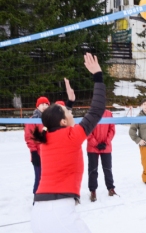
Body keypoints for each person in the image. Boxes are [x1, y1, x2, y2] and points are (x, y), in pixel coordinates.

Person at [30, 53, 105, 233]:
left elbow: (59, 123)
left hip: (40, 210)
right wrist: (97, 75)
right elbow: (97, 110)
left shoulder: (46, 138)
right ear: (63, 122)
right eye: (68, 111)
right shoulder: (72, 135)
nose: (71, 113)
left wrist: (69, 103)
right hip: (58, 210)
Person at [87, 109, 116, 202]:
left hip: (105, 146)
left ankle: (110, 188)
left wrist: (106, 142)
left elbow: (112, 129)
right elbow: (87, 130)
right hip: (93, 147)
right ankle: (93, 191)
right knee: (93, 170)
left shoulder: (109, 114)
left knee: (107, 168)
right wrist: (95, 143)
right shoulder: (90, 113)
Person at [24, 96, 50, 194]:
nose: (44, 106)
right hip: (38, 154)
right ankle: (37, 198)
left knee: (49, 178)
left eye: (46, 104)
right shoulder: (32, 120)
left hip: (50, 153)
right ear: (37, 106)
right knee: (39, 177)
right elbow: (29, 137)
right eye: (41, 104)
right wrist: (34, 152)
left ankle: (47, 197)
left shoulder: (50, 119)